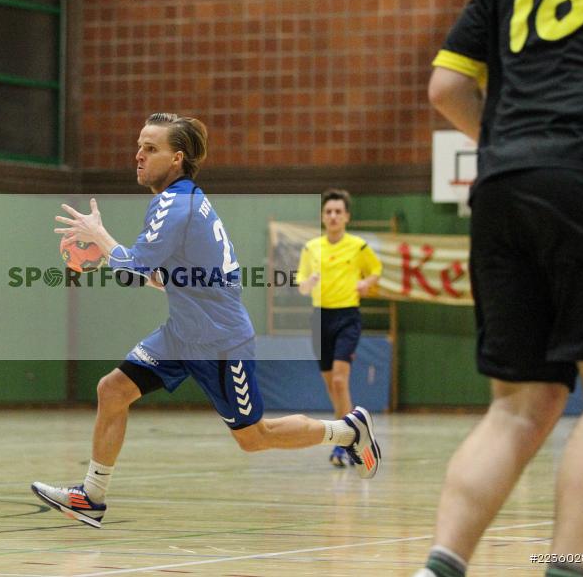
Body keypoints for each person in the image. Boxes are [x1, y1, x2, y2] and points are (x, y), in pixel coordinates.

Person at [31, 113, 381, 529]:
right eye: (139, 145)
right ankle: (91, 496)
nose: (138, 155)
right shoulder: (183, 201)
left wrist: (100, 236)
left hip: (220, 343)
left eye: (150, 148)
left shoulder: (175, 204)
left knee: (253, 438)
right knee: (112, 390)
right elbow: (163, 274)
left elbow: (135, 265)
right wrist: (115, 259)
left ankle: (347, 432)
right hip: (182, 334)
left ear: (176, 159)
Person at [416, 0, 583, 575]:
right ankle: (570, 567)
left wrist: (511, 148)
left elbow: (446, 88)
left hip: (501, 185)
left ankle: (440, 568)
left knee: (519, 406)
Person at [297, 189, 382, 468]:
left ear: (346, 216)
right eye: (328, 212)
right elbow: (301, 284)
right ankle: (352, 434)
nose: (333, 216)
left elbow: (376, 270)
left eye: (338, 212)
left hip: (347, 317)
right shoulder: (311, 248)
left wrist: (366, 283)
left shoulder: (358, 247)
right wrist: (309, 282)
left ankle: (344, 443)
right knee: (330, 386)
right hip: (320, 319)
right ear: (323, 216)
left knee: (339, 380)